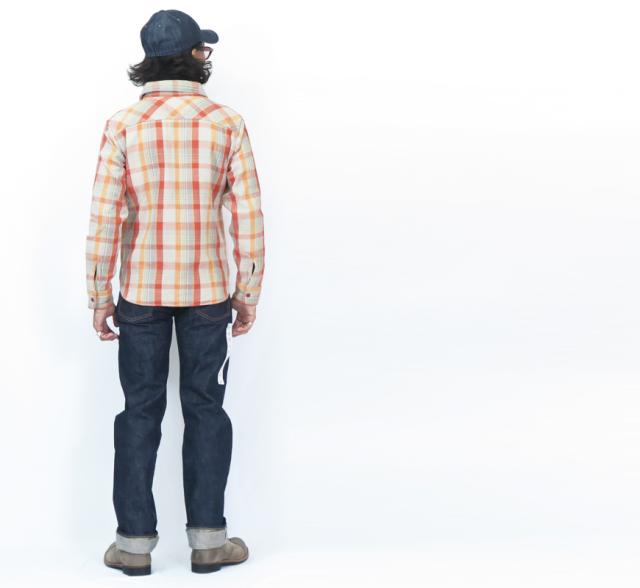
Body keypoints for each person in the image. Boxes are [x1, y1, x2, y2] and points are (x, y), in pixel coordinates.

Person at [85, 9, 265, 576]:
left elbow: (104, 217)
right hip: (208, 292)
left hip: (140, 293)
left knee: (139, 413)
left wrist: (99, 295)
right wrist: (248, 291)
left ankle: (133, 546)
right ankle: (209, 542)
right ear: (193, 57)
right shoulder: (227, 123)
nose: (207, 56)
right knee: (206, 409)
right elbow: (248, 215)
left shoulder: (123, 125)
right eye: (203, 49)